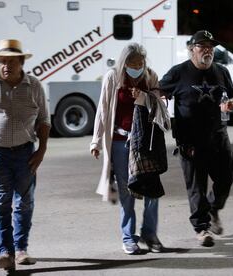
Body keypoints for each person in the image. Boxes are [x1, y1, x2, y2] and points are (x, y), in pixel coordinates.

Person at [0, 39, 50, 270]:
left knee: (24, 202)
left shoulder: (34, 86)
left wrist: (42, 150)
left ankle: (21, 249)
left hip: (26, 152)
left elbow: (44, 119)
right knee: (1, 201)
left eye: (11, 61)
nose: (5, 66)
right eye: (2, 61)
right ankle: (5, 251)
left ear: (21, 63)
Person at [159, 30, 233, 247]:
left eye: (211, 47)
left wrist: (231, 103)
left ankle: (213, 209)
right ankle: (202, 229)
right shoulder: (178, 73)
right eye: (203, 46)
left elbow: (231, 96)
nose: (208, 50)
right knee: (197, 186)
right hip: (190, 139)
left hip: (218, 136)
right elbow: (158, 92)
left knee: (226, 178)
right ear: (191, 49)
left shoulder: (221, 71)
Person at [90, 43, 169, 255]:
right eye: (132, 62)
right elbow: (103, 109)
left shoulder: (150, 77)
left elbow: (160, 105)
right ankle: (128, 237)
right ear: (124, 63)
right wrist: (96, 140)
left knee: (152, 189)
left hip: (145, 143)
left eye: (140, 62)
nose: (137, 66)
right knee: (127, 191)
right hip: (120, 142)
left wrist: (143, 97)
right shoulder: (113, 78)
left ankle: (150, 234)